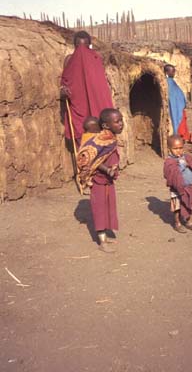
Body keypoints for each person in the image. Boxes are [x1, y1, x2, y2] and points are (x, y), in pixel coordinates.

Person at [77, 108, 123, 253]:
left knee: (108, 206)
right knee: (100, 209)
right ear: (106, 125)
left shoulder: (110, 137)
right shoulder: (102, 140)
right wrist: (107, 170)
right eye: (117, 122)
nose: (121, 124)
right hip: (98, 180)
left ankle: (104, 235)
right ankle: (102, 242)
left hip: (108, 181)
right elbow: (93, 159)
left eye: (121, 120)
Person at [60, 31, 113, 146]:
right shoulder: (70, 60)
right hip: (78, 104)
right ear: (75, 46)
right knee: (83, 135)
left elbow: (101, 83)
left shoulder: (96, 58)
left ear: (89, 46)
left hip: (97, 101)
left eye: (84, 47)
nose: (82, 51)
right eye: (79, 47)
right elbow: (66, 83)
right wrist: (64, 93)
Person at [163, 134, 192, 233]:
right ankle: (177, 223)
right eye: (175, 148)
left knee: (188, 203)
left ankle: (188, 221)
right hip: (177, 189)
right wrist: (181, 166)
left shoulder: (187, 158)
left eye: (180, 148)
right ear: (169, 149)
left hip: (189, 187)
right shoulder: (169, 162)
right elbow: (170, 175)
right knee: (177, 206)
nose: (178, 150)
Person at [164, 64, 190, 141]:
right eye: (172, 71)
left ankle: (180, 136)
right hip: (175, 106)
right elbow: (171, 96)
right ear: (167, 72)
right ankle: (177, 136)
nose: (174, 73)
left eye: (174, 71)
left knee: (180, 121)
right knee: (176, 121)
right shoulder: (167, 83)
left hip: (179, 106)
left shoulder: (172, 82)